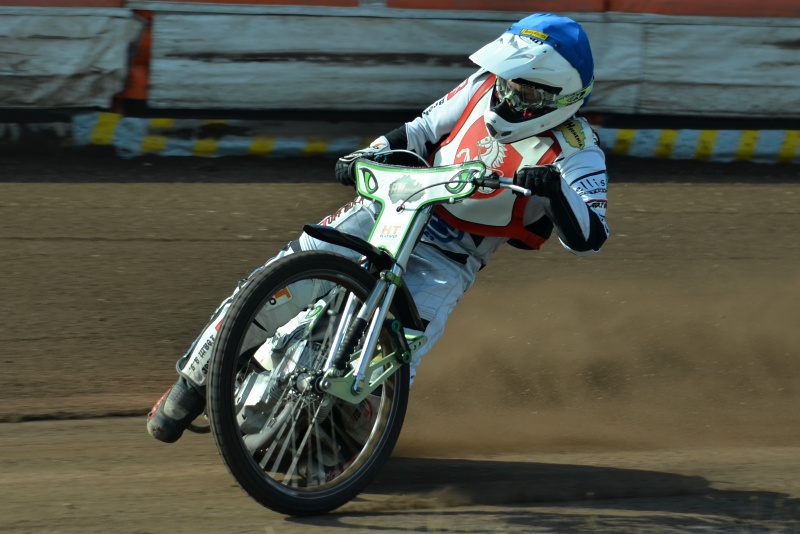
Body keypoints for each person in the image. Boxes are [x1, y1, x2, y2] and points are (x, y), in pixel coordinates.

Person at [147, 12, 609, 444]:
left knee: (397, 358)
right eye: (507, 83)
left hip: (452, 258)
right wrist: (366, 153)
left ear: (559, 97)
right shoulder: (482, 84)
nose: (506, 97)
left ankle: (344, 446)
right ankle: (193, 382)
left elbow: (591, 238)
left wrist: (556, 191)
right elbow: (421, 130)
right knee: (286, 271)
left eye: (524, 94)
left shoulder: (578, 149)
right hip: (393, 206)